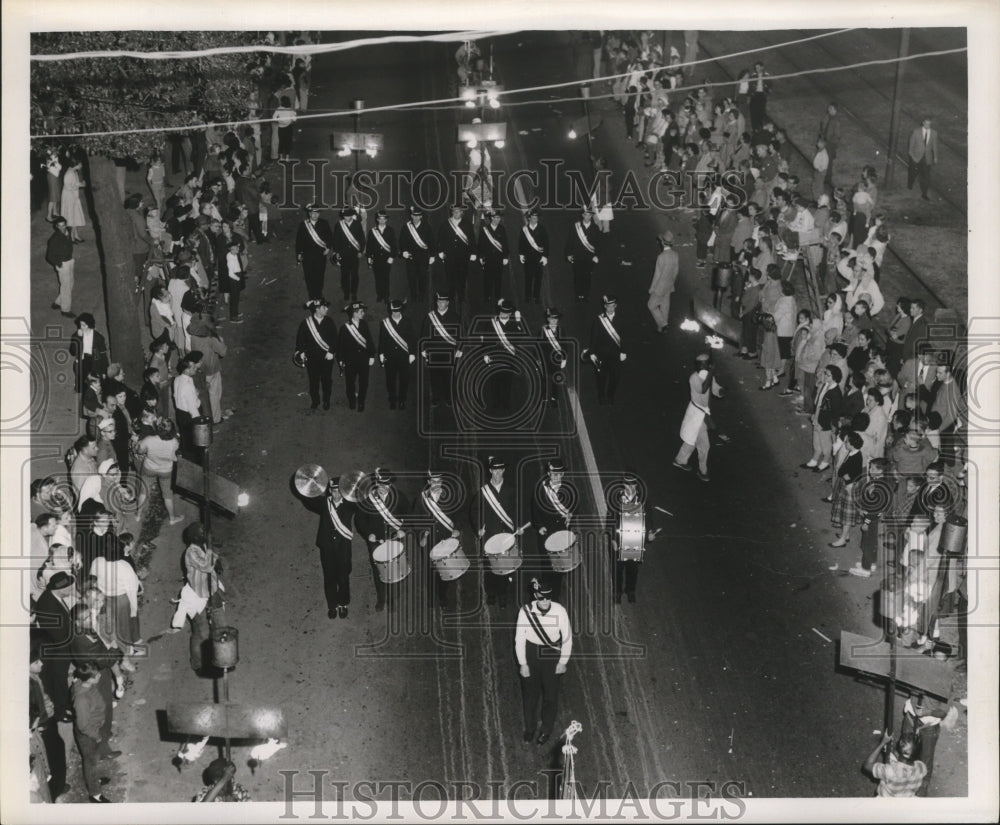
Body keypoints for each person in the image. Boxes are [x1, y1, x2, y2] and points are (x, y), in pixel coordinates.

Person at [515, 576, 572, 746]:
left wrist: (563, 661)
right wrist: (523, 663)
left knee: (550, 696)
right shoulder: (525, 612)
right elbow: (520, 639)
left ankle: (546, 730)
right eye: (541, 598)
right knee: (530, 696)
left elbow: (567, 638)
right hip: (531, 653)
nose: (545, 601)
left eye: (548, 597)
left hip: (551, 655)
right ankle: (530, 728)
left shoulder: (560, 611)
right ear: (535, 597)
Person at [471, 455, 525, 607]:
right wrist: (479, 527)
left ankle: (503, 594)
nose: (497, 473)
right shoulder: (483, 492)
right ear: (490, 471)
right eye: (494, 471)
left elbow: (519, 509)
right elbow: (474, 511)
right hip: (490, 536)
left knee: (507, 567)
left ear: (503, 471)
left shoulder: (511, 489)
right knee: (490, 567)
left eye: (500, 470)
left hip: (508, 535)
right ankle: (491, 594)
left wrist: (519, 526)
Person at [355, 468, 409, 612]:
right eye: (380, 485)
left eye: (387, 485)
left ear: (390, 485)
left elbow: (410, 515)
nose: (383, 488)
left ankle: (392, 601)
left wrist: (403, 528)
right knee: (378, 571)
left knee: (394, 571)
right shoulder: (367, 500)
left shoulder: (400, 497)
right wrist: (368, 534)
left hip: (394, 540)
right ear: (376, 484)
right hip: (376, 542)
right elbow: (359, 520)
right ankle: (381, 599)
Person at [606, 471, 661, 604]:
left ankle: (630, 590)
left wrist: (649, 535)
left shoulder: (643, 500)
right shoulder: (615, 499)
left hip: (635, 541)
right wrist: (613, 539)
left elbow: (649, 519)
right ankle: (617, 592)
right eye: (627, 484)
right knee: (617, 569)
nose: (630, 488)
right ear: (623, 485)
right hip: (618, 540)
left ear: (636, 485)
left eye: (632, 485)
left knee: (632, 569)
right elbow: (610, 519)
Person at [413, 469, 463, 612]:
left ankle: (442, 595)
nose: (436, 484)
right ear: (428, 482)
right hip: (430, 541)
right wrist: (421, 536)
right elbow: (416, 520)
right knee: (430, 571)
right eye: (433, 481)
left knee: (445, 570)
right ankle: (430, 596)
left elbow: (458, 514)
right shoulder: (421, 499)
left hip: (446, 540)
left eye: (439, 481)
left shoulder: (450, 496)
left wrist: (457, 528)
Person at [529, 458, 578, 603]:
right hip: (546, 533)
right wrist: (539, 526)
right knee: (546, 565)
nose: (555, 477)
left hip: (561, 532)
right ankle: (545, 591)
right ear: (548, 473)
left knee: (560, 566)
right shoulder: (540, 488)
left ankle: (555, 594)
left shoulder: (570, 490)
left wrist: (571, 518)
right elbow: (534, 510)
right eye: (552, 474)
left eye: (558, 474)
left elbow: (574, 508)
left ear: (562, 474)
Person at [673, 353, 724, 482]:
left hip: (702, 414)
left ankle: (680, 460)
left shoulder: (708, 376)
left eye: (707, 364)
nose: (705, 367)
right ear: (699, 365)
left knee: (692, 440)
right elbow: (703, 389)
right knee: (703, 445)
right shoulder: (693, 378)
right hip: (697, 414)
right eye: (703, 364)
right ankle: (703, 471)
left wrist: (721, 391)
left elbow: (714, 388)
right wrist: (711, 372)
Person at [311, 475, 356, 620]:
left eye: (339, 491)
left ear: (343, 491)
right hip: (327, 548)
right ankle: (332, 606)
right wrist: (307, 487)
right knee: (329, 578)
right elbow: (309, 500)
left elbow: (362, 500)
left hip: (343, 548)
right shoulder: (324, 503)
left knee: (343, 577)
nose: (336, 494)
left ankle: (343, 603)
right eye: (333, 491)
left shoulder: (350, 504)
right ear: (329, 491)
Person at [34, 571, 78, 721]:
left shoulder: (54, 596)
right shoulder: (48, 606)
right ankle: (61, 712)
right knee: (59, 681)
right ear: (60, 589)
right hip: (58, 650)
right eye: (69, 589)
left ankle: (65, 704)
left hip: (61, 645)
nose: (71, 591)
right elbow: (59, 636)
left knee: (61, 679)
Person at [70, 662, 117, 802]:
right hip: (88, 734)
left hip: (94, 727)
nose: (99, 675)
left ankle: (94, 781)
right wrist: (96, 736)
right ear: (89, 679)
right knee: (90, 762)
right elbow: (83, 725)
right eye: (96, 675)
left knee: (93, 759)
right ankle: (95, 794)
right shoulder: (81, 699)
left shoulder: (86, 684)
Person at [29, 645, 69, 800]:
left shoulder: (34, 677)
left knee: (57, 751)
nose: (41, 664)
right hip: (44, 725)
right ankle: (55, 790)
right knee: (53, 757)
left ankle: (58, 786)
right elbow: (36, 710)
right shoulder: (30, 684)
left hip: (47, 721)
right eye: (36, 662)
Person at [479, 299, 526, 412]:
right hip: (495, 357)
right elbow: (486, 340)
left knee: (507, 381)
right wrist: (486, 354)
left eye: (505, 313)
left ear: (510, 313)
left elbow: (520, 338)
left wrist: (519, 322)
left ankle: (505, 402)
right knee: (494, 380)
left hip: (508, 357)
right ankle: (495, 402)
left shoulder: (514, 324)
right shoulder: (492, 323)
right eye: (501, 312)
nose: (502, 314)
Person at [135, 418, 184, 525]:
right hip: (166, 471)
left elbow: (139, 451)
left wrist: (139, 444)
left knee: (143, 492)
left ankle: (138, 515)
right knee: (167, 495)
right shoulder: (174, 442)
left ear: (158, 428)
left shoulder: (149, 439)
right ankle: (172, 518)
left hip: (149, 468)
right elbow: (175, 455)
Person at [420, 291, 464, 408]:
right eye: (439, 301)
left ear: (448, 303)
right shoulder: (430, 317)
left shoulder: (454, 317)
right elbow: (425, 334)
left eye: (443, 301)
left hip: (449, 353)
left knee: (449, 377)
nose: (440, 304)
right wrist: (424, 349)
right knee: (434, 376)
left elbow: (459, 335)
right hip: (433, 352)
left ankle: (449, 397)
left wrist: (459, 350)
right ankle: (436, 397)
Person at [294, 298, 338, 412]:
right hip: (312, 358)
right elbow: (300, 340)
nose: (327, 309)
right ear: (317, 309)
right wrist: (302, 352)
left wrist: (331, 351)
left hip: (326, 357)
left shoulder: (329, 321)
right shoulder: (306, 323)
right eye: (324, 307)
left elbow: (335, 339)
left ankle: (326, 400)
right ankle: (315, 401)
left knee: (327, 380)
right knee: (313, 380)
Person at [187, 315, 230, 425]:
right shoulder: (211, 338)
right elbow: (223, 352)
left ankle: (209, 414)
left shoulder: (193, 336)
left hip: (200, 369)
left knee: (205, 395)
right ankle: (216, 418)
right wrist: (221, 341)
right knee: (214, 394)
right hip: (212, 368)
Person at [585, 295, 627, 405]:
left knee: (615, 377)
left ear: (616, 306)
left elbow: (625, 337)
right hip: (602, 354)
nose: (610, 309)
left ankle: (610, 395)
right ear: (605, 306)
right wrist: (593, 353)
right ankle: (602, 396)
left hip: (615, 355)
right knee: (601, 378)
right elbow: (594, 338)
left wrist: (624, 352)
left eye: (612, 306)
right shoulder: (599, 320)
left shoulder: (621, 320)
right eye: (608, 306)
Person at [802, 365, 844, 473]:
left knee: (825, 442)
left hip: (825, 422)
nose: (824, 376)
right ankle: (815, 459)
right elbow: (818, 402)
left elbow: (835, 412)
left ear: (834, 377)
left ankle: (825, 461)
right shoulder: (826, 385)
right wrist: (814, 414)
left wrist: (827, 424)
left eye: (827, 375)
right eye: (825, 373)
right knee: (816, 440)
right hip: (818, 417)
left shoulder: (835, 393)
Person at [378, 298, 417, 410]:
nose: (396, 313)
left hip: (404, 356)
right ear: (390, 311)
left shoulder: (407, 322)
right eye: (394, 311)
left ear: (401, 310)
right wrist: (381, 353)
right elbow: (382, 340)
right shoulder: (385, 323)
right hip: (390, 357)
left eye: (398, 311)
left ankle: (402, 400)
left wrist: (412, 353)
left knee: (404, 379)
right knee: (390, 380)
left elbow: (411, 339)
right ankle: (392, 400)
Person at [337, 301, 376, 412]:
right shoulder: (344, 328)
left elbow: (369, 340)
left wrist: (372, 355)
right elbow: (341, 346)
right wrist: (340, 359)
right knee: (350, 382)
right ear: (354, 313)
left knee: (364, 382)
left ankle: (361, 402)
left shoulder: (364, 325)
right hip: (350, 360)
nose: (363, 313)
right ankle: (352, 401)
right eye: (361, 312)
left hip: (363, 359)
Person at [864, 731, 927, 797]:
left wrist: (882, 743)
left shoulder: (890, 771)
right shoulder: (921, 767)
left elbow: (867, 765)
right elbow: (904, 762)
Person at [437, 205, 476, 306]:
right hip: (449, 255)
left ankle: (461, 295)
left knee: (462, 276)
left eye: (458, 212)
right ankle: (451, 296)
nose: (456, 213)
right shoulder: (446, 223)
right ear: (452, 212)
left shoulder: (467, 224)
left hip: (463, 255)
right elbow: (441, 238)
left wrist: (473, 253)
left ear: (462, 213)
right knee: (450, 276)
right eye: (454, 212)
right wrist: (440, 251)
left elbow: (472, 239)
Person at [69, 313, 109, 411]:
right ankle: (83, 406)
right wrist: (77, 338)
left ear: (89, 325)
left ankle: (92, 405)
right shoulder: (77, 334)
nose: (81, 327)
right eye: (80, 325)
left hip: (94, 361)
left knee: (93, 383)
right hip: (83, 360)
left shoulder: (98, 337)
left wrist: (104, 370)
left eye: (83, 325)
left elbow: (103, 355)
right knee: (82, 382)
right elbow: (72, 351)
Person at [296, 204, 336, 300]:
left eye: (317, 213)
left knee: (319, 274)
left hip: (320, 254)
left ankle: (318, 294)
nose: (315, 215)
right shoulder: (303, 225)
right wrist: (299, 253)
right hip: (307, 255)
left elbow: (330, 237)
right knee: (309, 275)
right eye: (313, 213)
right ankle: (311, 295)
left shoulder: (324, 223)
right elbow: (299, 241)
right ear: (309, 214)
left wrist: (328, 248)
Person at [564, 206, 602, 302]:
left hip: (590, 257)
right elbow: (570, 241)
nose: (587, 217)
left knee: (587, 276)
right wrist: (568, 254)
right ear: (582, 215)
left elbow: (599, 243)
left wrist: (597, 255)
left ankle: (585, 294)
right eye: (586, 215)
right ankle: (578, 294)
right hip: (578, 256)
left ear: (592, 216)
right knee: (577, 276)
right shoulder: (575, 226)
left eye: (589, 215)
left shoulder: (595, 228)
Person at [399, 207, 436, 301]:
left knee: (422, 276)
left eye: (417, 216)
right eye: (413, 216)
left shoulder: (426, 227)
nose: (415, 218)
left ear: (421, 217)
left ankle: (422, 294)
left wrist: (432, 255)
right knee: (411, 277)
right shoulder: (406, 227)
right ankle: (413, 295)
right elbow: (402, 241)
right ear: (411, 216)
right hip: (410, 257)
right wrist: (404, 251)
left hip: (423, 257)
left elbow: (431, 241)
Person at [647, 230, 679, 333]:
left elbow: (657, 275)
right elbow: (675, 271)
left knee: (651, 305)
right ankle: (661, 328)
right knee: (665, 305)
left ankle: (663, 324)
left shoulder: (661, 257)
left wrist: (652, 288)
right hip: (669, 285)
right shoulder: (675, 255)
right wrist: (671, 282)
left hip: (659, 287)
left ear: (662, 242)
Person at [172, 354, 203, 459]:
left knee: (185, 438)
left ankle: (186, 456)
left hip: (180, 413)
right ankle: (195, 462)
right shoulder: (187, 385)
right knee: (194, 441)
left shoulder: (177, 379)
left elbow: (179, 395)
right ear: (187, 370)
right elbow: (192, 408)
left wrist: (194, 393)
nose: (196, 368)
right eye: (193, 367)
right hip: (190, 415)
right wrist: (199, 421)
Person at [332, 207, 366, 303]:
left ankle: (354, 293)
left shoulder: (357, 224)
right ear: (343, 216)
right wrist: (337, 252)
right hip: (343, 255)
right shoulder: (339, 225)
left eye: (349, 215)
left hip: (355, 255)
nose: (347, 217)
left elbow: (362, 239)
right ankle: (346, 292)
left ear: (352, 215)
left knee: (355, 275)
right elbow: (336, 240)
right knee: (344, 275)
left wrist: (360, 251)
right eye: (345, 216)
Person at [46, 216, 76, 318]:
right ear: (56, 227)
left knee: (70, 284)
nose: (62, 228)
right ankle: (65, 310)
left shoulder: (68, 231)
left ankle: (57, 303)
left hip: (70, 261)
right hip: (63, 264)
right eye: (60, 226)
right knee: (66, 287)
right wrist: (59, 264)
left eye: (64, 225)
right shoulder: (54, 239)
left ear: (66, 225)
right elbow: (49, 256)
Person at [518, 209, 550, 305]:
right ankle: (527, 296)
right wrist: (521, 254)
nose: (534, 219)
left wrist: (545, 256)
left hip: (538, 258)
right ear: (529, 218)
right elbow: (521, 243)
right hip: (528, 258)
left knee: (538, 278)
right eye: (533, 217)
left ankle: (536, 297)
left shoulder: (542, 229)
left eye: (536, 217)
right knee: (528, 278)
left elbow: (547, 244)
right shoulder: (524, 229)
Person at [477, 209, 509, 305]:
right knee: (487, 278)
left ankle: (498, 296)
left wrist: (505, 257)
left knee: (498, 278)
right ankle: (488, 296)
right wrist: (481, 256)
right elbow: (481, 244)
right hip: (488, 258)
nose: (497, 219)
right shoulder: (485, 229)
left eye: (499, 218)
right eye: (495, 217)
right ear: (491, 218)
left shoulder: (502, 229)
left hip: (499, 258)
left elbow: (505, 244)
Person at [366, 210, 397, 304]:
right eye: (380, 219)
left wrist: (392, 256)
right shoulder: (372, 231)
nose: (382, 221)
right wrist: (369, 256)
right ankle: (380, 294)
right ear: (377, 220)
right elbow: (369, 245)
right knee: (378, 277)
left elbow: (394, 245)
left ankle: (386, 296)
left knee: (386, 277)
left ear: (386, 220)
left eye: (384, 219)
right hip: (376, 258)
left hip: (387, 259)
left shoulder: (390, 230)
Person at [539, 308, 568, 407]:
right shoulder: (543, 331)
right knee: (544, 379)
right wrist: (537, 359)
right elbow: (538, 346)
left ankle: (554, 397)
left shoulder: (561, 331)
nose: (554, 321)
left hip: (556, 360)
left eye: (556, 319)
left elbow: (565, 345)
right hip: (546, 359)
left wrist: (564, 358)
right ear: (548, 319)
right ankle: (544, 397)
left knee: (556, 379)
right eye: (552, 319)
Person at [907, 117, 939, 200]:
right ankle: (910, 184)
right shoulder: (916, 132)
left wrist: (935, 157)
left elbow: (934, 146)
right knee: (913, 173)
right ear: (923, 123)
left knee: (926, 177)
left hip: (927, 159)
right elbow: (910, 147)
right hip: (916, 158)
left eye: (929, 124)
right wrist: (913, 157)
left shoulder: (934, 133)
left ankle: (924, 193)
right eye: (926, 124)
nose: (928, 126)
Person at [60, 156, 87, 242]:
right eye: (80, 164)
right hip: (69, 197)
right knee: (70, 216)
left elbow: (74, 183)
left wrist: (80, 184)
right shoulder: (69, 173)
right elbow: (69, 186)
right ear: (77, 164)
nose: (81, 165)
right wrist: (80, 185)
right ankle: (71, 237)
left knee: (74, 215)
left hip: (73, 196)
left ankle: (75, 235)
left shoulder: (73, 171)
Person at [818, 102, 841, 187]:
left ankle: (827, 179)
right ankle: (823, 176)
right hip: (824, 141)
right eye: (828, 108)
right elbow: (822, 127)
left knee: (829, 161)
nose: (828, 110)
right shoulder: (827, 118)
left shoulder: (836, 121)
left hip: (830, 144)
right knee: (822, 159)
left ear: (835, 110)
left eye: (831, 109)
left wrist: (831, 143)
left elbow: (837, 135)